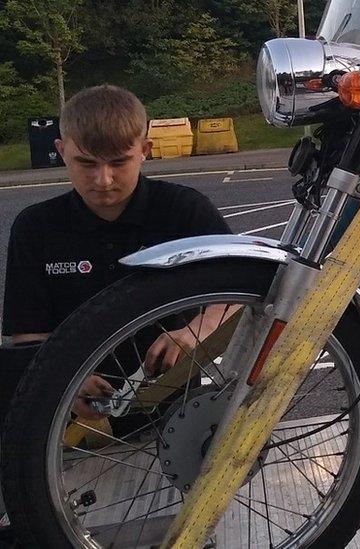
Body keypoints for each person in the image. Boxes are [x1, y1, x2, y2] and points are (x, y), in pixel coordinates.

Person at [0, 85, 232, 526]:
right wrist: (67, 382)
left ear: (145, 150)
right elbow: (27, 337)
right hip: (66, 417)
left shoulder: (184, 212)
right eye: (86, 163)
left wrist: (194, 332)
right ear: (60, 150)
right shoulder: (35, 229)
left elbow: (242, 295)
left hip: (174, 412)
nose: (103, 180)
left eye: (118, 162)